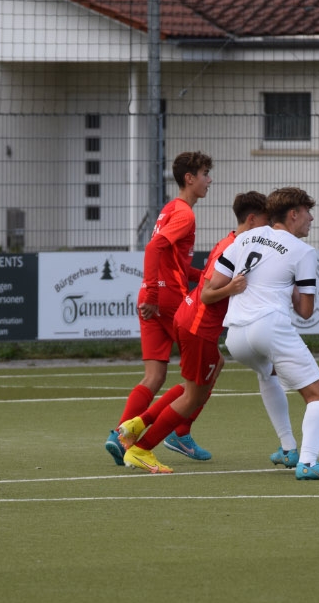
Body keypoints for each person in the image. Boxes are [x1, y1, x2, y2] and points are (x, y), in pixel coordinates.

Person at [115, 192, 270, 473]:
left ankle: (136, 425)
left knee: (197, 385)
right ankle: (141, 448)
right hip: (199, 326)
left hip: (191, 319)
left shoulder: (231, 242)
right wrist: (232, 289)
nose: (268, 228)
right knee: (193, 397)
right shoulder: (233, 246)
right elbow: (209, 294)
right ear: (251, 219)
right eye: (265, 221)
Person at [205, 187, 319, 480]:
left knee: (268, 374)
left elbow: (211, 288)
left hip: (235, 337)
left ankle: (288, 449)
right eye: (307, 212)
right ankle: (308, 463)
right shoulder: (303, 251)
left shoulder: (245, 237)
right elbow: (305, 311)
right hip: (268, 327)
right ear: (293, 214)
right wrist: (291, 287)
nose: (311, 218)